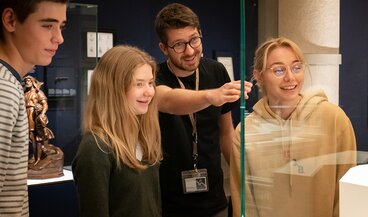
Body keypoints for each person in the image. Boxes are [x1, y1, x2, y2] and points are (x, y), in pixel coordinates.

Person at [230, 37, 357, 217]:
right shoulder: (246, 131)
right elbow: (243, 199)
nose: (290, 77)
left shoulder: (334, 119)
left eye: (296, 67)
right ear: (259, 76)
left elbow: (346, 192)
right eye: (279, 70)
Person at [154, 3, 252, 217]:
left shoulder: (216, 71)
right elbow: (168, 100)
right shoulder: (155, 75)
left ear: (200, 34)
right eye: (179, 45)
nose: (189, 51)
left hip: (214, 199)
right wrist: (211, 96)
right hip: (168, 202)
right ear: (164, 48)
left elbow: (226, 132)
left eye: (194, 40)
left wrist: (241, 177)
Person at [72, 45, 162, 217]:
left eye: (151, 83)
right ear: (114, 89)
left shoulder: (146, 138)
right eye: (139, 84)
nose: (149, 92)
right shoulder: (95, 148)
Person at [0, 0, 66, 216]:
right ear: (10, 20)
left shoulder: (10, 83)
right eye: (47, 25)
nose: (59, 38)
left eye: (61, 26)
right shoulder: (4, 89)